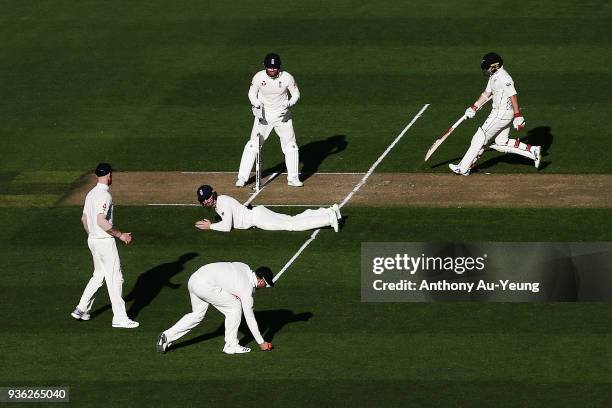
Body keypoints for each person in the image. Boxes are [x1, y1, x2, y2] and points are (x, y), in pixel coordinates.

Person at [449, 52, 542, 175]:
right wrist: (474, 107)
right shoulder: (494, 76)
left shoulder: (504, 77)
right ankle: (533, 151)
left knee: (479, 138)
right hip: (500, 113)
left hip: (501, 114)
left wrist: (518, 115)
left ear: (495, 66)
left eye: (487, 67)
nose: (486, 70)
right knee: (501, 142)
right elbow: (487, 93)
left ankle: (463, 168)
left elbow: (513, 95)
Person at [70, 163, 139, 329]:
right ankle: (120, 318)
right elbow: (101, 220)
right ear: (109, 175)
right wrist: (120, 235)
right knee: (115, 279)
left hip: (93, 240)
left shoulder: (91, 194)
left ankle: (82, 309)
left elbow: (84, 219)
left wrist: (92, 235)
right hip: (104, 242)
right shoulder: (104, 195)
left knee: (99, 275)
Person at [156, 262, 275, 354]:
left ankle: (167, 336)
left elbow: (229, 277)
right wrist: (261, 342)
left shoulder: (244, 267)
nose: (265, 287)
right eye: (266, 284)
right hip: (206, 285)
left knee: (197, 314)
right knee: (235, 306)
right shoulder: (247, 290)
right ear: (260, 281)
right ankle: (231, 346)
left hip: (194, 279)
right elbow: (249, 318)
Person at [235, 52, 303, 187]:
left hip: (282, 116)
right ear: (265, 66)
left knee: (291, 146)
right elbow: (251, 93)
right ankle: (242, 178)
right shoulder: (258, 77)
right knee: (252, 145)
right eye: (269, 67)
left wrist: (289, 103)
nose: (272, 70)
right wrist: (256, 103)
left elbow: (296, 94)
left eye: (275, 67)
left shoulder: (287, 77)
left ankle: (293, 178)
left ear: (279, 67)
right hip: (263, 117)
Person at [193, 185, 341, 232]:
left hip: (258, 218)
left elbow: (226, 227)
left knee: (291, 225)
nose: (205, 201)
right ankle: (329, 211)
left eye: (206, 198)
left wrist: (210, 226)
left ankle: (329, 218)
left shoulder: (223, 202)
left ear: (213, 194)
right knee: (292, 219)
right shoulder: (221, 203)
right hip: (257, 213)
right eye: (203, 200)